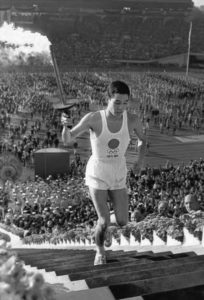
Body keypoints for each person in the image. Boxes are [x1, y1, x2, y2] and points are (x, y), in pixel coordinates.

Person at [61, 80, 146, 265]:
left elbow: (143, 141)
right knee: (103, 220)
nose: (121, 107)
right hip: (98, 171)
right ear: (107, 99)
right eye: (117, 102)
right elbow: (68, 140)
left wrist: (140, 160)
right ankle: (100, 252)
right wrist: (65, 125)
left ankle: (105, 221)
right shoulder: (94, 118)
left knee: (123, 221)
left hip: (118, 170)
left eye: (125, 103)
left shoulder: (132, 120)